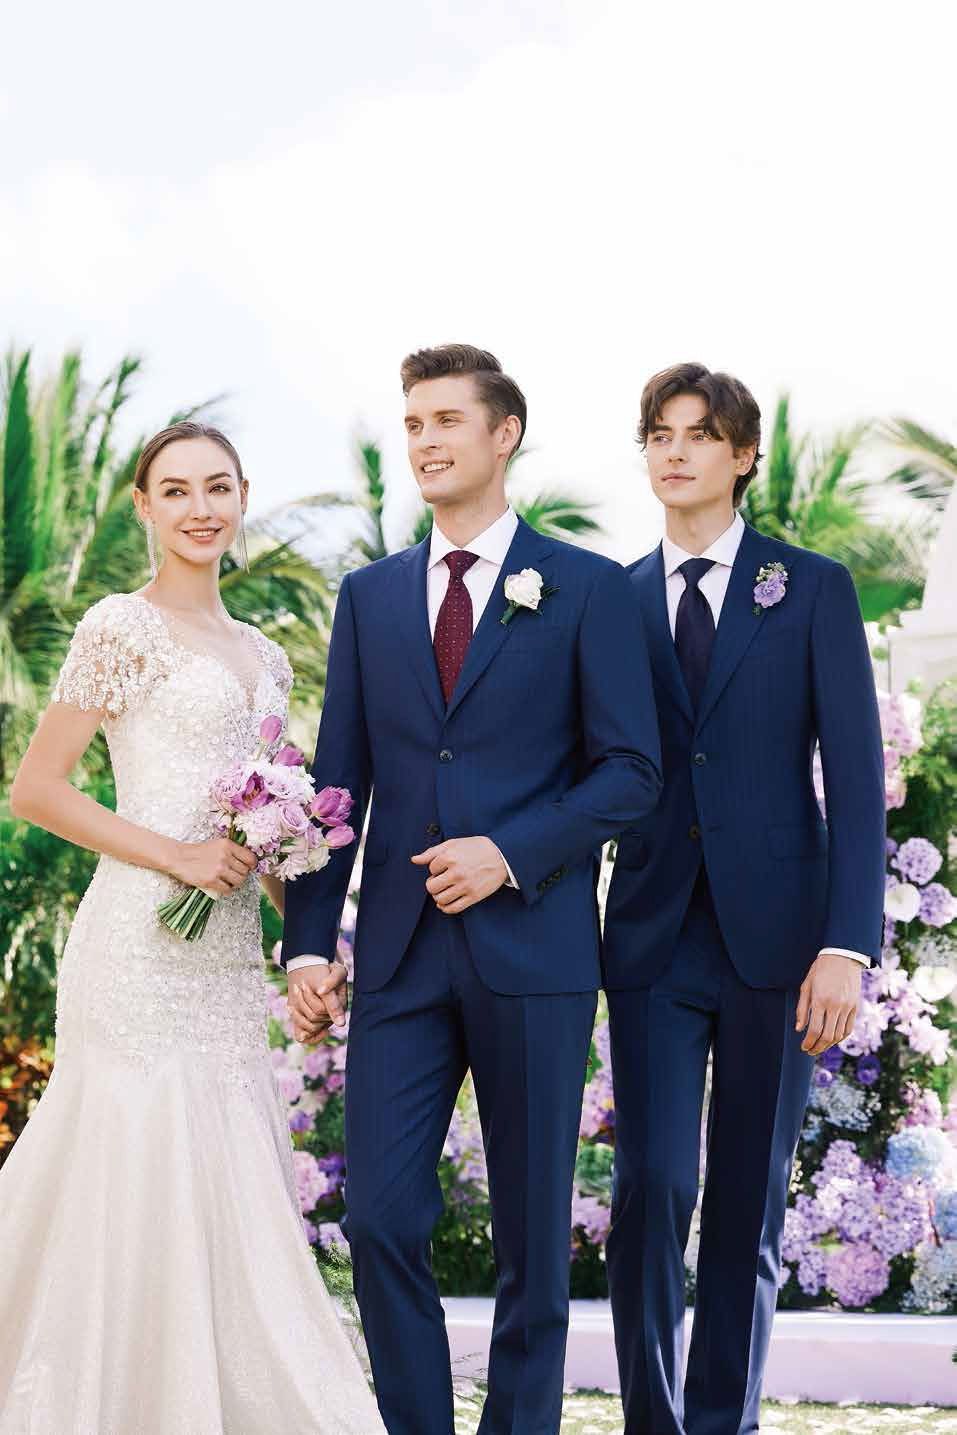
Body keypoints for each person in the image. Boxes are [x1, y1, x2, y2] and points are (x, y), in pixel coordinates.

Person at [282, 343, 662, 1435]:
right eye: (412, 423)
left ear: (506, 435)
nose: (427, 441)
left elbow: (631, 770)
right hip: (398, 956)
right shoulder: (370, 597)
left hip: (535, 946)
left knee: (533, 1242)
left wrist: (511, 850)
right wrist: (312, 941)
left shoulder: (588, 586)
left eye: (448, 419)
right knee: (382, 1216)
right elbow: (336, 784)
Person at [0, 421, 383, 1435]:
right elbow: (35, 790)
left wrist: (301, 946)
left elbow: (257, 837)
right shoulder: (118, 628)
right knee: (127, 1149)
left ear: (244, 494)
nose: (200, 507)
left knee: (223, 1153)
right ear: (143, 505)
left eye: (217, 487)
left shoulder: (263, 655)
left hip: (221, 954)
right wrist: (173, 856)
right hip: (135, 942)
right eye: (176, 490)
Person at [602, 363, 886, 1435]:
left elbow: (854, 780)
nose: (674, 451)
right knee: (656, 1184)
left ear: (743, 456)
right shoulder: (610, 597)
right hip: (652, 936)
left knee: (745, 1208)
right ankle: (652, 1421)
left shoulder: (809, 585)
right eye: (658, 435)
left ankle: (724, 1421)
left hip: (783, 943)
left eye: (698, 434)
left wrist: (846, 945)